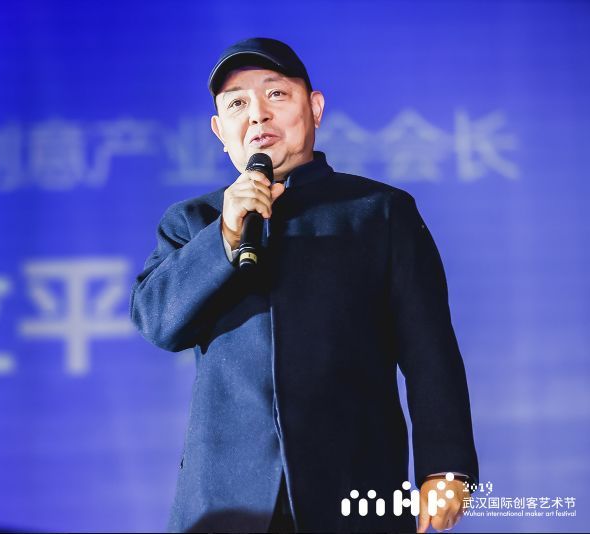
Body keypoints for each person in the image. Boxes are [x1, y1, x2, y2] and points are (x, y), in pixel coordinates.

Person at [129, 37, 479, 533]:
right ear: (220, 131)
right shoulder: (194, 222)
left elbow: (429, 351)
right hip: (223, 501)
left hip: (353, 488)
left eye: (276, 94)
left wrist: (445, 467)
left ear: (314, 108)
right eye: (237, 104)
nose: (257, 115)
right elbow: (157, 322)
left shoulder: (379, 212)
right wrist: (225, 235)